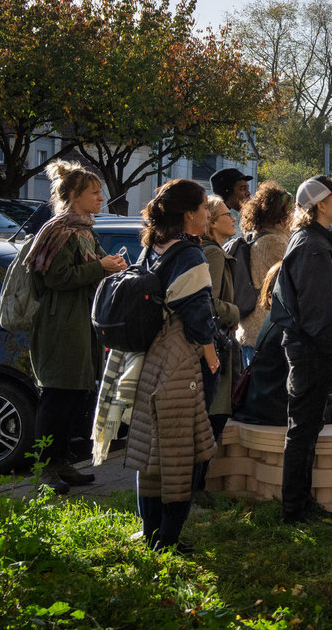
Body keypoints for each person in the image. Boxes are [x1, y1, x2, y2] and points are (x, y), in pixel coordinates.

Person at [125, 179, 220, 551]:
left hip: (151, 356)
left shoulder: (152, 245)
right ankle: (168, 538)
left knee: (151, 448)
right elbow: (198, 317)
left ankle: (150, 531)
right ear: (189, 214)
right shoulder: (190, 255)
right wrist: (212, 358)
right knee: (185, 450)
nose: (208, 214)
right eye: (203, 208)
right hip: (180, 360)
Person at [26, 160, 127, 493]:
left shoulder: (84, 229)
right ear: (73, 195)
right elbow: (57, 278)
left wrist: (111, 267)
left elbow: (93, 270)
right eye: (94, 193)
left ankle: (62, 462)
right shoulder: (59, 230)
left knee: (74, 395)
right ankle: (46, 471)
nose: (101, 199)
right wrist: (101, 266)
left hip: (80, 324)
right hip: (59, 325)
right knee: (56, 396)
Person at [270, 174, 332, 525]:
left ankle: (300, 505)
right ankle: (294, 510)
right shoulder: (312, 246)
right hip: (308, 351)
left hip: (310, 349)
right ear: (320, 204)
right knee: (302, 429)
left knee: (306, 426)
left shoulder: (316, 239)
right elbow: (320, 315)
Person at [194, 196, 242, 498]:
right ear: (212, 221)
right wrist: (235, 312)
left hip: (213, 342)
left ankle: (197, 487)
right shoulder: (213, 254)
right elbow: (207, 303)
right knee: (213, 417)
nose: (233, 219)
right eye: (227, 215)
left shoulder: (215, 252)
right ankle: (196, 488)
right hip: (213, 345)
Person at [235, 182, 293, 367]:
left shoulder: (257, 237)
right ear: (282, 214)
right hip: (265, 331)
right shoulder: (275, 243)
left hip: (251, 329)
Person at [231, 264, 290, 426]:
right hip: (275, 409)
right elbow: (296, 382)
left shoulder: (272, 320)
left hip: (260, 404)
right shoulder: (287, 324)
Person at [209, 167, 252, 245]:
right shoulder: (220, 221)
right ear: (227, 192)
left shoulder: (245, 216)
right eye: (243, 189)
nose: (248, 193)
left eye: (247, 188)